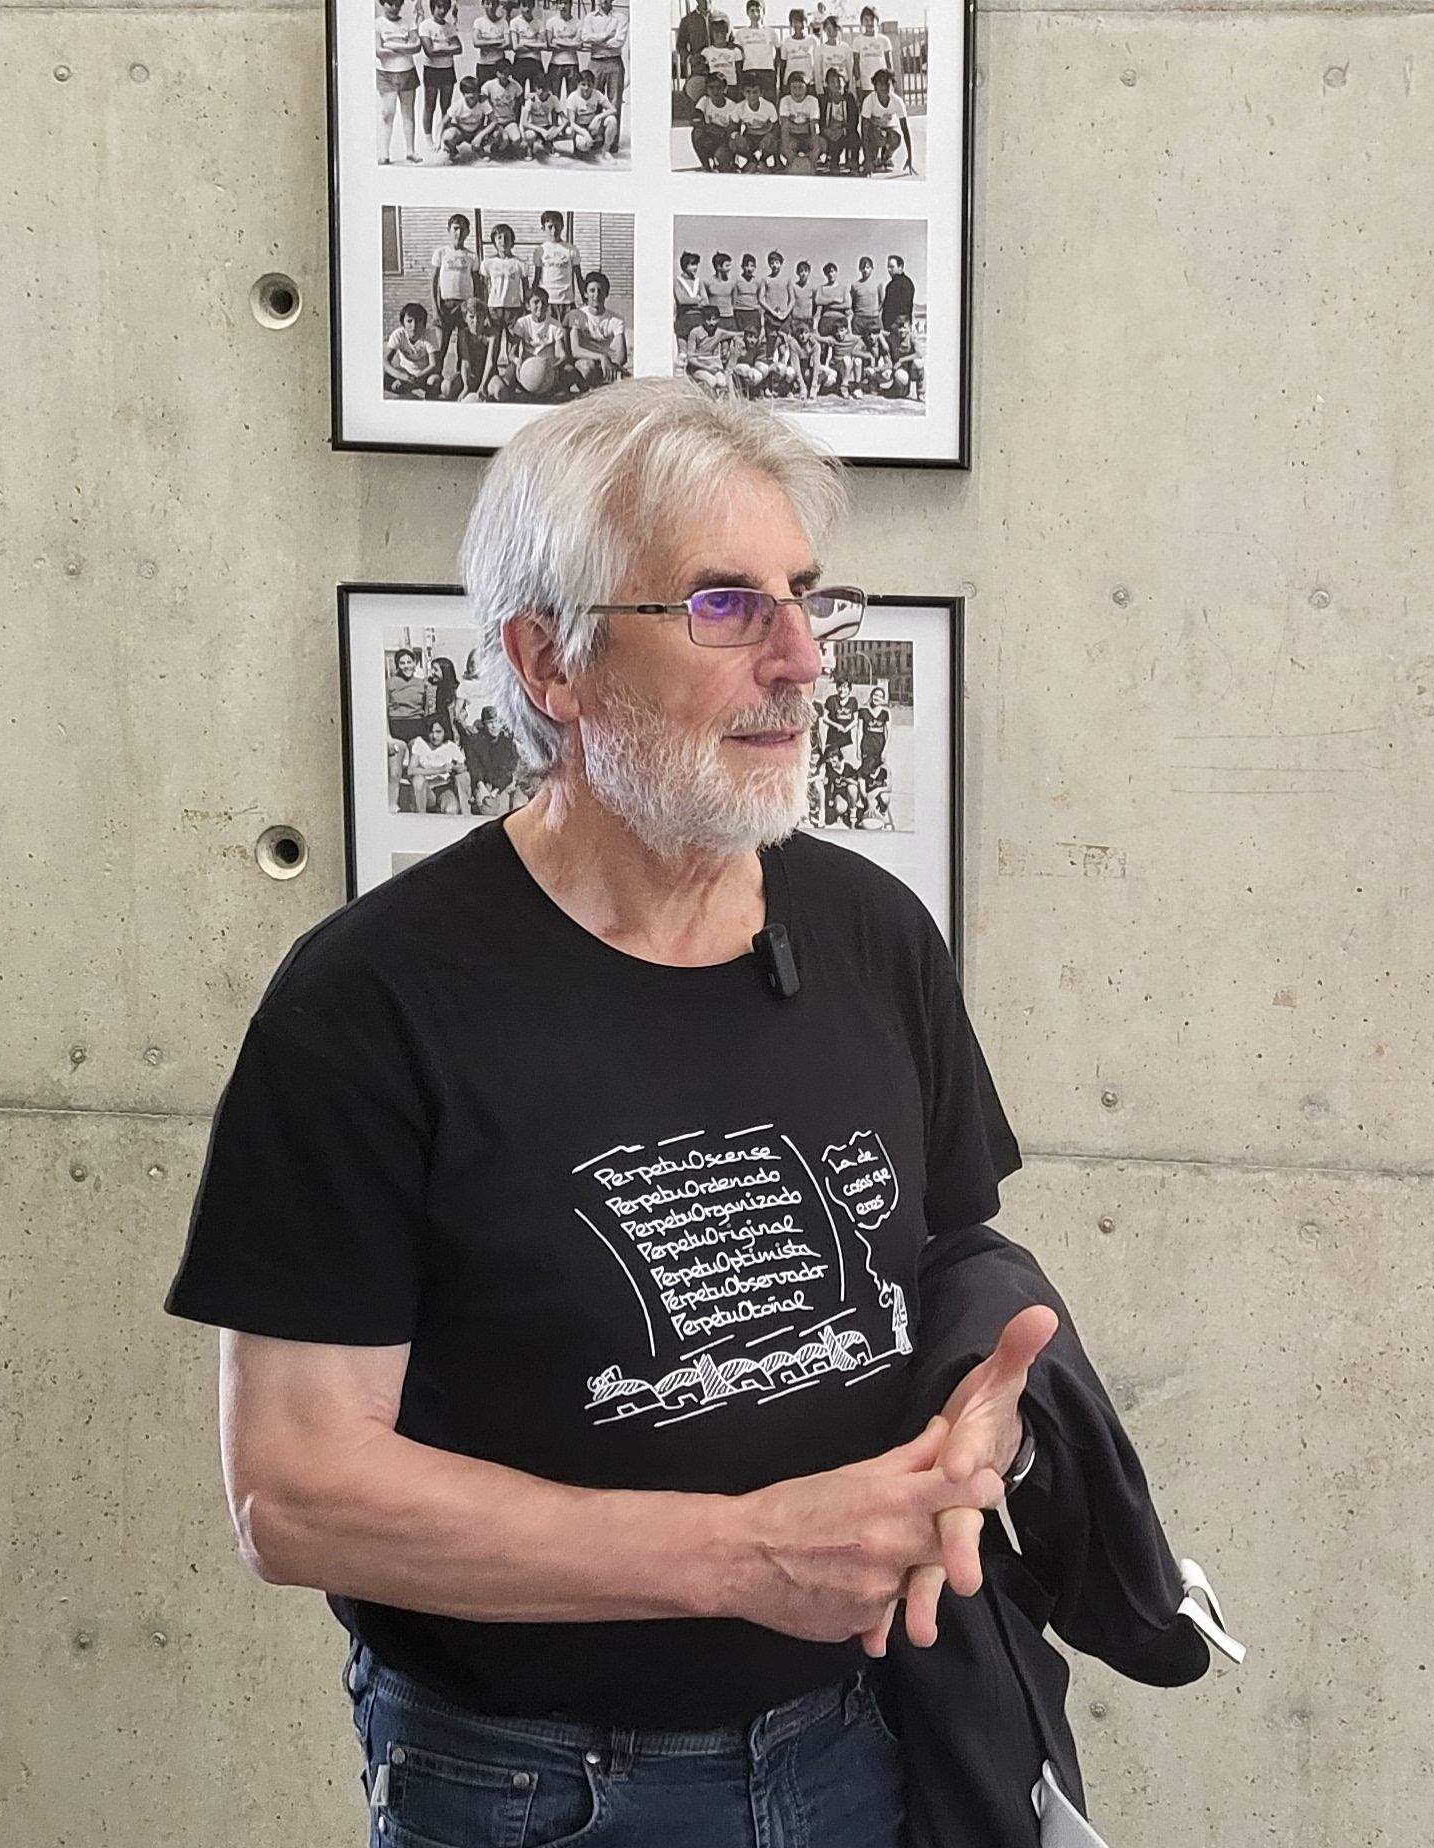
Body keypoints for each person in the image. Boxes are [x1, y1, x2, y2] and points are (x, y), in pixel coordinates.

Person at [166, 381, 1182, 1846]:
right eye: (722, 607)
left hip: (872, 1728)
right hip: (538, 1786)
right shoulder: (372, 1004)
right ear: (551, 662)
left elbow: (947, 1247)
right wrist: (738, 1554)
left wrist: (982, 1410)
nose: (798, 661)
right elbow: (298, 1495)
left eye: (807, 602)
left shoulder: (870, 933)